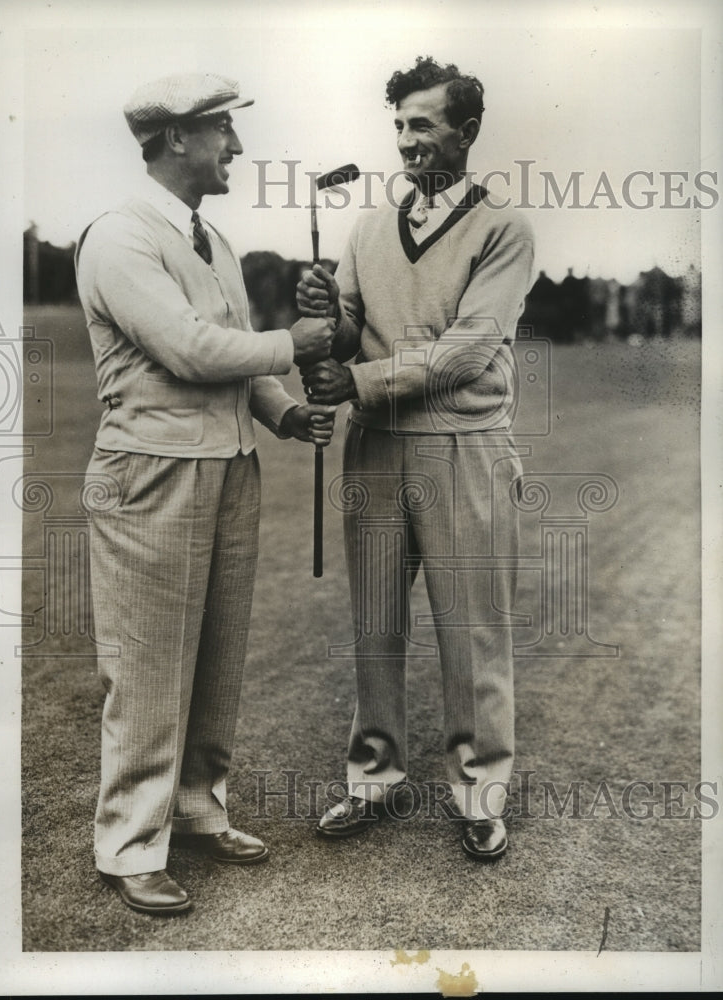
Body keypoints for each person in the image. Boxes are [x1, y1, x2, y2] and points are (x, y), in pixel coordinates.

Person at [75, 71, 335, 914]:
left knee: (217, 654)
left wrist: (285, 415)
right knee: (149, 663)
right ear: (177, 137)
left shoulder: (209, 240)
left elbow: (231, 349)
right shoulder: (119, 235)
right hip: (150, 471)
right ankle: (128, 844)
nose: (238, 147)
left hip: (227, 466)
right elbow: (189, 351)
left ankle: (194, 810)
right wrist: (292, 345)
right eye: (224, 130)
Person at [297, 56, 534, 861]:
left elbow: (466, 352)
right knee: (375, 625)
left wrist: (355, 376)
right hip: (375, 450)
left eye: (423, 125)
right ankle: (373, 778)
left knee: (472, 627)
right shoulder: (366, 225)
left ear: (465, 132)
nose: (406, 141)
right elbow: (346, 332)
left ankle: (480, 791)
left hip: (464, 445)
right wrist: (324, 323)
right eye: (399, 125)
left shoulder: (504, 226)